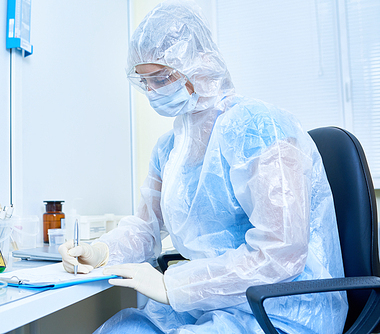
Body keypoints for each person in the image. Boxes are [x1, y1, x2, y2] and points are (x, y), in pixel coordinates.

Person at [59, 0, 348, 332]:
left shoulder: (259, 129)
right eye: (145, 82)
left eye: (162, 77)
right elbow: (145, 227)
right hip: (209, 301)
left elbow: (282, 253)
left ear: (201, 65)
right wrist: (101, 251)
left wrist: (174, 286)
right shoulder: (169, 149)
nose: (153, 92)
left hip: (280, 309)